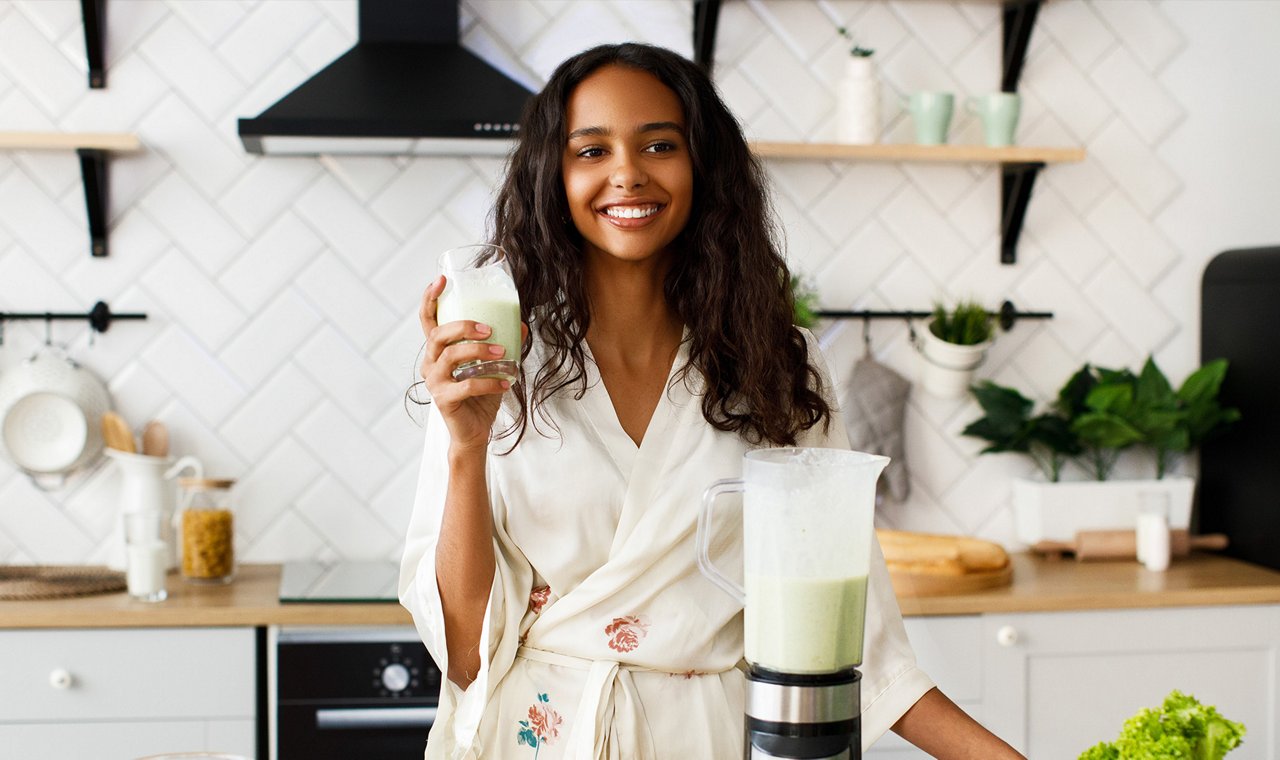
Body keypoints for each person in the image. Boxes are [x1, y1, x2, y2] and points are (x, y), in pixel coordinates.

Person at [400, 42, 1023, 760]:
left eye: (659, 144)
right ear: (553, 177)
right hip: (542, 736)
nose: (627, 173)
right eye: (591, 150)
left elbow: (859, 644)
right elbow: (467, 654)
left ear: (703, 164)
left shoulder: (777, 367)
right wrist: (466, 444)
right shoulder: (500, 367)